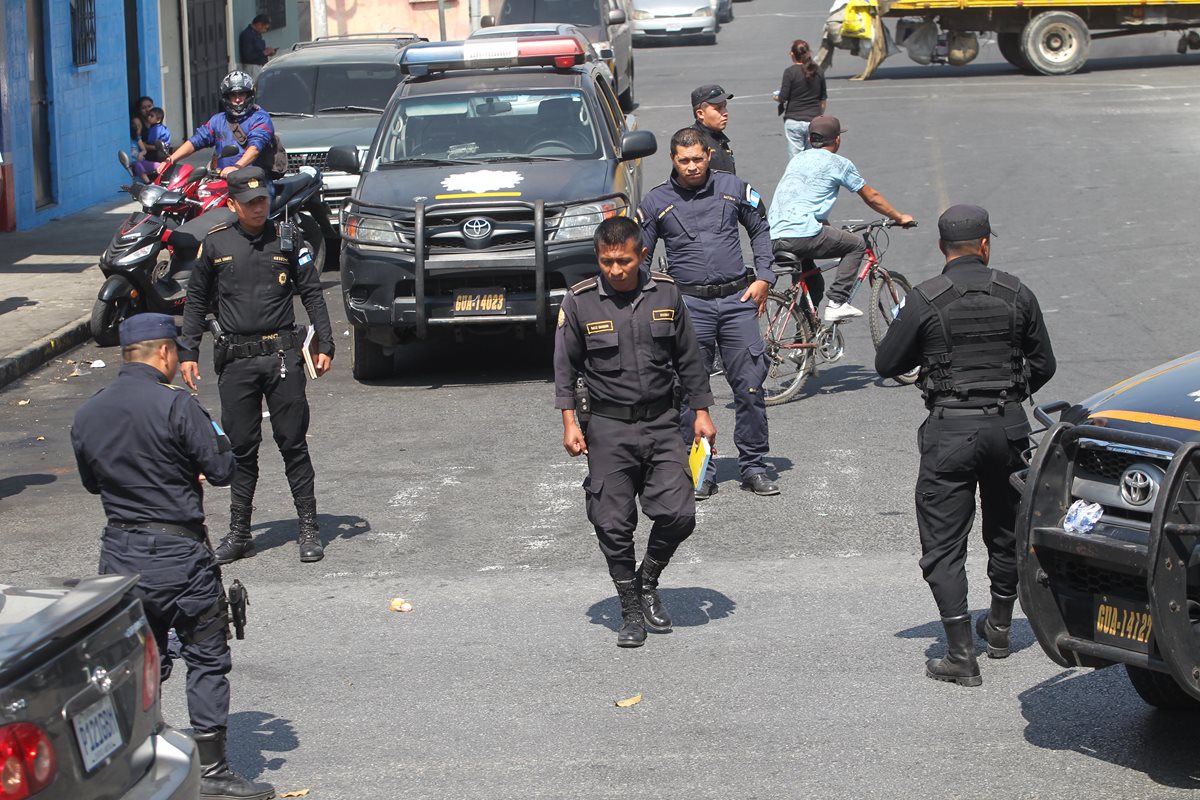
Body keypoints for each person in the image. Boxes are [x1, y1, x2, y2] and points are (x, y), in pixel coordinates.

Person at [71, 313, 275, 800]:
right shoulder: (177, 406)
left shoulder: (88, 413)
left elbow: (92, 482)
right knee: (206, 652)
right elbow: (223, 467)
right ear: (164, 354)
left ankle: (134, 758)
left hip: (119, 555)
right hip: (178, 554)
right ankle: (214, 771)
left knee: (140, 659)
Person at [875, 204, 1056, 687]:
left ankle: (961, 654)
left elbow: (886, 363)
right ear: (985, 245)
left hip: (950, 430)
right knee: (1006, 529)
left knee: (943, 543)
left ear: (941, 248)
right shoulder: (1016, 292)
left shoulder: (925, 297)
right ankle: (998, 627)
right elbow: (1045, 365)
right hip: (1008, 427)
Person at [554, 216, 717, 648]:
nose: (615, 270)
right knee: (611, 522)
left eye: (624, 261)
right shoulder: (580, 301)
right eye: (607, 262)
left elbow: (689, 358)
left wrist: (702, 412)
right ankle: (629, 607)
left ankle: (648, 579)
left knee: (680, 514)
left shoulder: (666, 291)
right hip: (607, 425)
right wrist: (570, 422)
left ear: (641, 255)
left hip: (663, 421)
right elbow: (564, 368)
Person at [180, 167, 335, 565]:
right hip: (237, 362)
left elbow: (313, 293)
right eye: (249, 203)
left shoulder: (288, 238)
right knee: (241, 450)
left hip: (282, 358)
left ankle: (308, 528)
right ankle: (240, 533)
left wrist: (325, 341)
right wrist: (187, 352)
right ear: (232, 204)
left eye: (263, 199)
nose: (258, 208)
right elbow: (196, 301)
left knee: (292, 443)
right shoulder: (215, 245)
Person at [636, 127, 779, 500]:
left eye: (698, 158)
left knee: (749, 387)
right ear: (672, 160)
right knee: (687, 392)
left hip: (737, 302)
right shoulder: (655, 202)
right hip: (688, 307)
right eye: (684, 160)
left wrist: (765, 276)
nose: (692, 166)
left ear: (708, 156)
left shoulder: (734, 187)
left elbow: (760, 229)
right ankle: (700, 469)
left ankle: (754, 466)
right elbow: (641, 260)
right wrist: (654, 301)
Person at [769, 115, 914, 322]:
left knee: (814, 285)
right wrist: (899, 217)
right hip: (803, 234)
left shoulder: (798, 159)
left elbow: (803, 202)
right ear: (837, 139)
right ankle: (837, 302)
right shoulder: (839, 164)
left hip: (775, 235)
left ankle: (802, 345)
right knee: (856, 245)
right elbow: (871, 196)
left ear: (810, 140)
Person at [159, 72, 277, 182]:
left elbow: (255, 148)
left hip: (254, 181)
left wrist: (236, 167)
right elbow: (196, 141)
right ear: (227, 97)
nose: (237, 99)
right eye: (233, 95)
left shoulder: (260, 118)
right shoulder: (218, 120)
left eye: (241, 94)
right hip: (223, 181)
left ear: (249, 95)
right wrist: (170, 160)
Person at [776, 39, 827, 159]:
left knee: (795, 160)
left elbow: (783, 97)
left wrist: (776, 97)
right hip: (813, 120)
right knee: (813, 158)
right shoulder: (818, 71)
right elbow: (823, 100)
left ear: (793, 54)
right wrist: (819, 116)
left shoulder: (790, 72)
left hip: (794, 120)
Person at [689, 85, 737, 174]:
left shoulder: (718, 139)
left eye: (724, 106)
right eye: (718, 108)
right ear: (700, 114)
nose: (725, 113)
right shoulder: (692, 142)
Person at [132, 106, 172, 183]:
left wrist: (144, 144)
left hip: (159, 152)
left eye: (152, 116)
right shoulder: (163, 127)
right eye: (149, 115)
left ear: (158, 119)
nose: (149, 117)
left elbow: (151, 141)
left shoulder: (155, 129)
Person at [238, 14, 276, 80]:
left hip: (260, 66)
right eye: (266, 28)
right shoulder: (247, 35)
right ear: (259, 24)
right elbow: (248, 56)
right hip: (253, 68)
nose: (265, 31)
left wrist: (268, 52)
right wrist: (264, 52)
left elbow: (259, 49)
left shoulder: (257, 34)